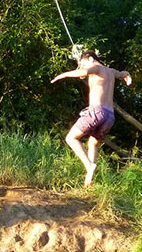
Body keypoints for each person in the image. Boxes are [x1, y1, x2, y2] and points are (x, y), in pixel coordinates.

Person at [51, 50, 132, 186]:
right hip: (109, 116)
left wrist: (62, 75)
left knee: (71, 138)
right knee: (92, 143)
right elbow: (123, 73)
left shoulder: (96, 68)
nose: (83, 67)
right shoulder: (111, 71)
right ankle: (89, 179)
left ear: (89, 59)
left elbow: (81, 73)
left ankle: (89, 166)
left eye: (83, 64)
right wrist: (128, 77)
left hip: (97, 111)